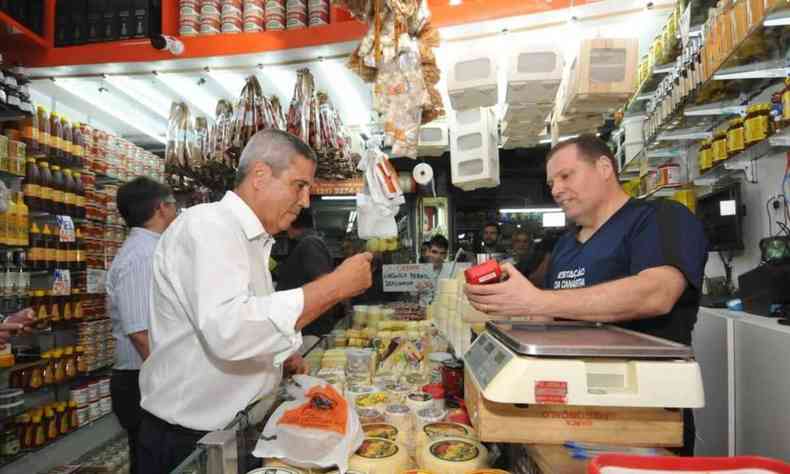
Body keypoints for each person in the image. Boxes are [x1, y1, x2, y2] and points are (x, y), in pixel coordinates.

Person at [138, 130, 373, 473]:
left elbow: (247, 316)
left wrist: (280, 355)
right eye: (299, 185)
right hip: (190, 443)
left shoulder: (252, 239)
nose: (305, 201)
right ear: (260, 176)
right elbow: (229, 330)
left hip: (235, 430)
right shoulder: (208, 226)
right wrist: (335, 286)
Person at [465, 134, 707, 456]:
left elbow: (657, 292)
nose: (556, 190)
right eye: (552, 182)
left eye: (566, 176)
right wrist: (502, 304)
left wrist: (535, 299)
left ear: (604, 167)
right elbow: (553, 319)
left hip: (641, 416)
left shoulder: (659, 217)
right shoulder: (566, 244)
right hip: (570, 411)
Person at [107, 177, 177, 474]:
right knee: (153, 463)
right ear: (161, 208)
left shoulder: (152, 249)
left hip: (147, 375)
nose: (177, 211)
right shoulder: (142, 256)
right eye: (174, 204)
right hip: (142, 379)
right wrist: (172, 379)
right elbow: (139, 331)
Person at [277, 208, 339, 352]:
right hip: (305, 328)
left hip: (310, 331)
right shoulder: (308, 243)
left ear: (291, 223)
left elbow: (324, 284)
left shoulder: (310, 243)